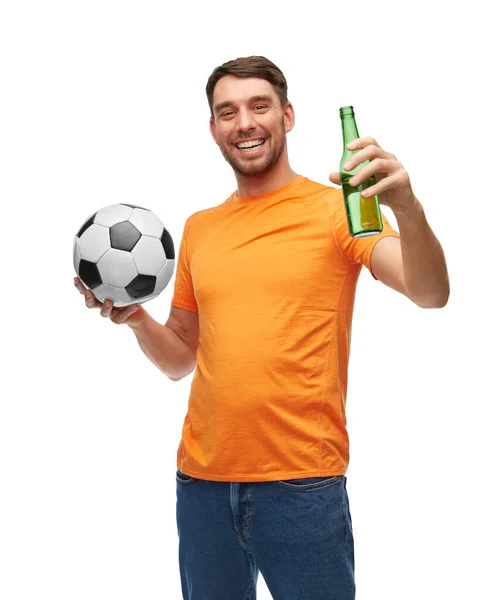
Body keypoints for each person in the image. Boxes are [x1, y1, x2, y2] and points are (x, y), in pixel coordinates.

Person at [74, 56, 450, 600]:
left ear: (287, 116)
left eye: (259, 106)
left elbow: (430, 292)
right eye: (227, 112)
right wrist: (136, 319)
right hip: (201, 484)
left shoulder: (339, 210)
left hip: (302, 486)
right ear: (213, 129)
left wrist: (408, 208)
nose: (244, 122)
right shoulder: (200, 229)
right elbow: (182, 357)